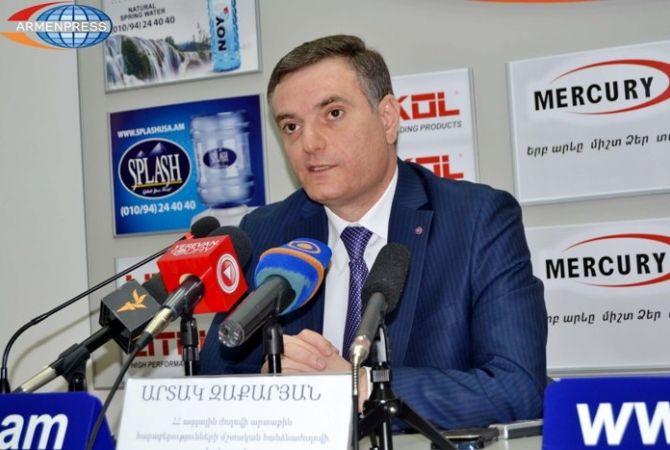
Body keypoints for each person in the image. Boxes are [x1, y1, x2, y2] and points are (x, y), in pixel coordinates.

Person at [200, 34, 547, 430]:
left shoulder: (477, 220)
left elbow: (517, 388)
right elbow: (214, 382)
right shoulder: (265, 233)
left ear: (387, 119)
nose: (309, 143)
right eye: (291, 126)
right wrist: (267, 389)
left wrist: (359, 387)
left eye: (333, 113)